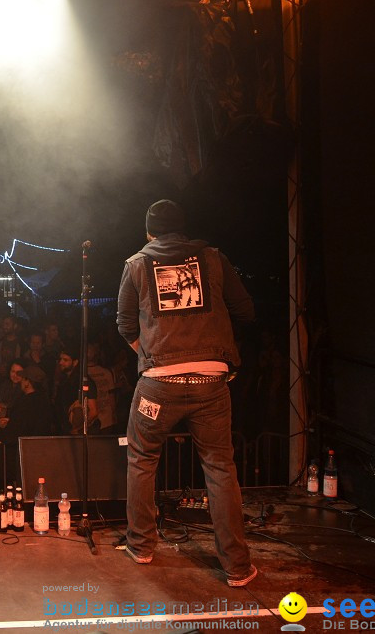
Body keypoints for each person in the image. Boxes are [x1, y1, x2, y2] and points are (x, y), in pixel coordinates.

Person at [116, 198, 257, 587]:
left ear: (149, 232)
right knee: (220, 467)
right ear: (183, 229)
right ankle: (237, 567)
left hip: (158, 384)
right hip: (212, 381)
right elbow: (246, 310)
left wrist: (150, 355)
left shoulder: (136, 265)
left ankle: (141, 547)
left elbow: (125, 323)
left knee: (143, 460)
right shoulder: (212, 258)